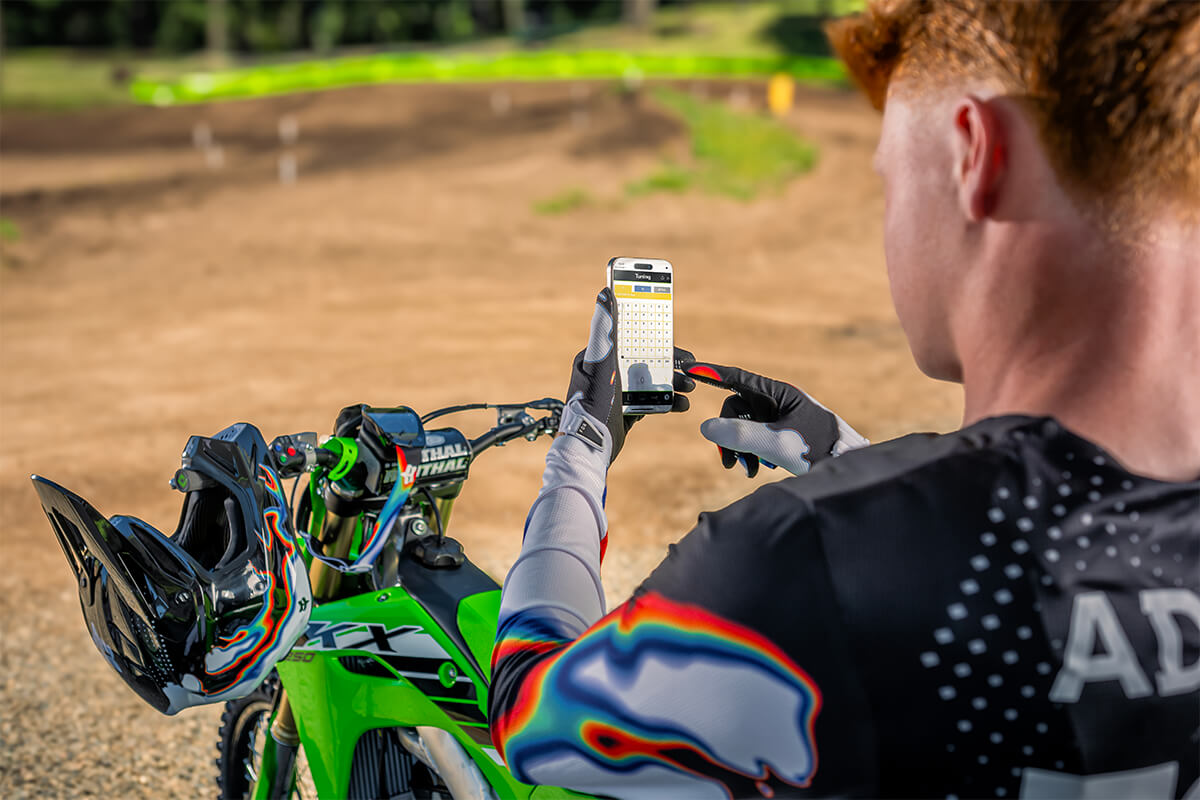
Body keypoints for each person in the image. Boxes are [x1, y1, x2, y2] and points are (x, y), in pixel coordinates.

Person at [489, 1, 1200, 798]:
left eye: (888, 181)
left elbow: (532, 719)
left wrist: (579, 454)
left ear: (977, 154)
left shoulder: (800, 559)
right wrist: (850, 462)